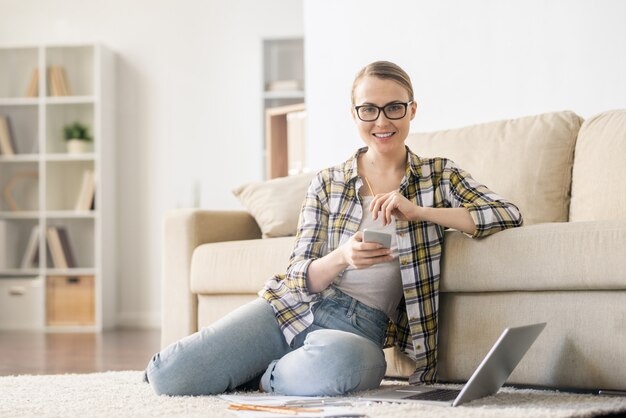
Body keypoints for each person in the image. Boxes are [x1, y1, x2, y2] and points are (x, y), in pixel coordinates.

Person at [145, 60, 523, 397]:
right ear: (354, 114)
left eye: (394, 107)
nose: (382, 121)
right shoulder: (328, 183)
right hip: (292, 309)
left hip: (359, 330)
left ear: (412, 110)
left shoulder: (438, 175)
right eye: (369, 109)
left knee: (344, 366)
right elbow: (297, 274)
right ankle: (283, 367)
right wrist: (343, 257)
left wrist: (420, 211)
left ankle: (268, 376)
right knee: (169, 377)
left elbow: (506, 213)